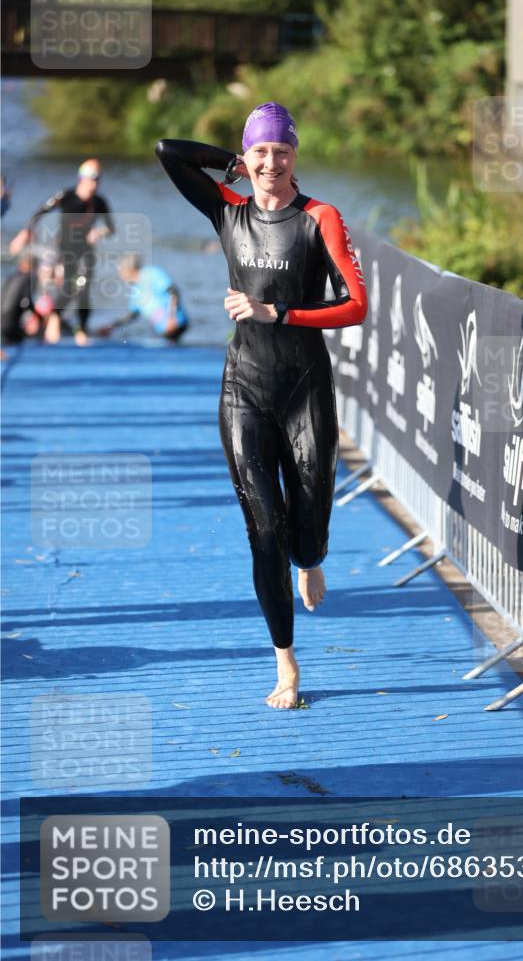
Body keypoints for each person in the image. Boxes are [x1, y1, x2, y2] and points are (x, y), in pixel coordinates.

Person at [155, 102, 367, 709]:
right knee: (264, 533)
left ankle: (313, 556)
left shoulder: (319, 217)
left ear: (295, 156)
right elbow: (168, 151)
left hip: (305, 391)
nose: (272, 163)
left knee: (307, 528)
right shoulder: (227, 210)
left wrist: (283, 313)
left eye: (282, 151)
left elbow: (356, 305)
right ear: (246, 160)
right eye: (260, 153)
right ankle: (287, 665)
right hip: (243, 389)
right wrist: (229, 164)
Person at [8, 159, 114, 346]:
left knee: (84, 288)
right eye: (90, 179)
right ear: (81, 179)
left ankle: (80, 329)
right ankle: (54, 316)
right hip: (64, 249)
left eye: (97, 180)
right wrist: (26, 232)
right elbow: (39, 212)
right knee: (68, 287)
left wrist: (99, 232)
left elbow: (111, 228)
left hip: (85, 251)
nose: (93, 184)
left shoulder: (99, 202)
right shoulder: (66, 196)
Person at [96, 254, 189, 343]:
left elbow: (173, 291)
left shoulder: (150, 273)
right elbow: (132, 315)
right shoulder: (134, 289)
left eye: (121, 270)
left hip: (176, 325)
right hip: (164, 331)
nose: (120, 274)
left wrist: (171, 317)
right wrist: (110, 327)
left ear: (130, 269)